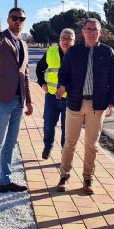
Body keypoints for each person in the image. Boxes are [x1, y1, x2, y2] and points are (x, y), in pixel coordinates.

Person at [56, 18, 114, 194]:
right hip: (75, 104)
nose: (92, 32)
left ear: (100, 32)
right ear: (82, 32)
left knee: (92, 144)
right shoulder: (74, 51)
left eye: (96, 30)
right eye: (89, 29)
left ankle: (87, 179)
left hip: (97, 106)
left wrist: (111, 101)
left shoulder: (107, 52)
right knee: (70, 143)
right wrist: (62, 85)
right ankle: (64, 176)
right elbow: (63, 72)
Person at [0, 7, 33, 202]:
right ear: (9, 19)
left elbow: (25, 73)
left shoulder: (23, 44)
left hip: (19, 100)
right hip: (1, 99)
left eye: (22, 19)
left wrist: (29, 101)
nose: (18, 21)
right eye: (15, 18)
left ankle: (5, 181)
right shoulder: (0, 37)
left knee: (11, 142)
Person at [36, 29, 76, 162]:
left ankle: (65, 155)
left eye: (69, 38)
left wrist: (67, 88)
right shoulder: (51, 51)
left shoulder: (79, 55)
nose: (65, 41)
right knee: (48, 124)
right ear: (59, 39)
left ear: (74, 41)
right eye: (62, 38)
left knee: (67, 130)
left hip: (70, 99)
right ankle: (48, 147)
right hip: (52, 97)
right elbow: (39, 68)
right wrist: (42, 83)